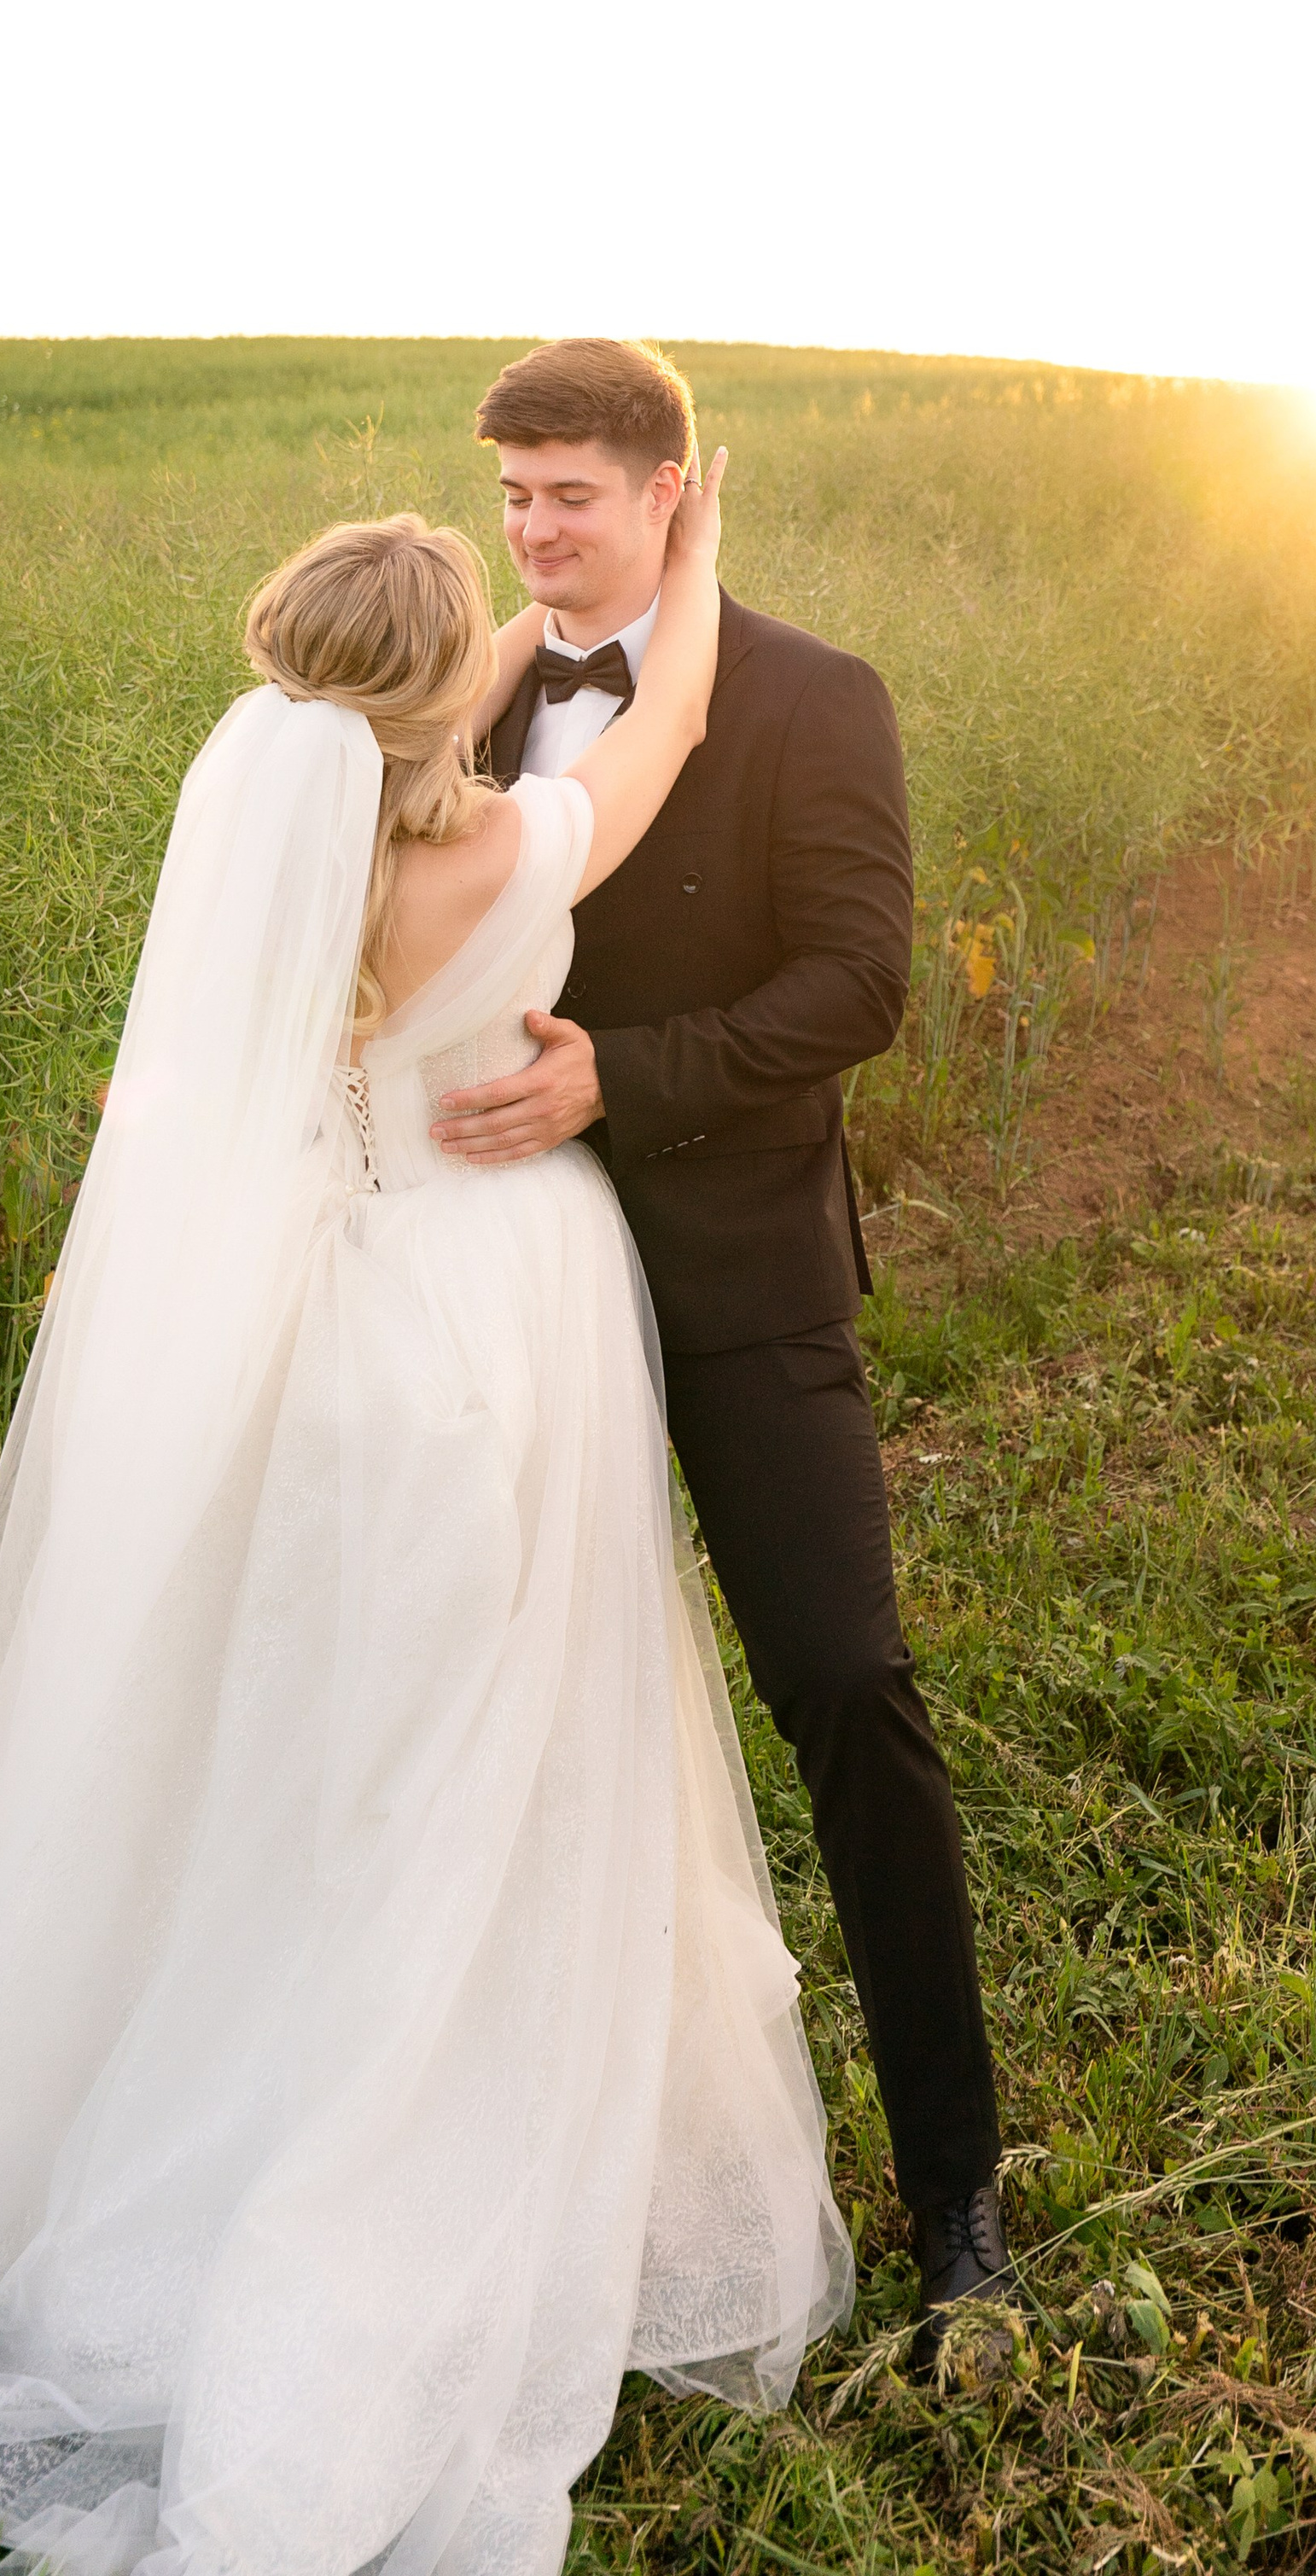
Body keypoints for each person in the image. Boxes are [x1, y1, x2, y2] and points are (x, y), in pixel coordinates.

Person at [0, 466, 853, 2576]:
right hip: (483, 1336)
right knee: (479, 1758)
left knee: (308, 1759)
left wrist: (431, 629)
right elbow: (672, 718)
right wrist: (683, 558)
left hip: (318, 1356)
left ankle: (240, 2074)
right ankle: (414, 2144)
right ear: (448, 698)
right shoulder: (503, 849)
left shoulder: (263, 812)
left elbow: (396, 704)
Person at [446, 337, 1008, 2343]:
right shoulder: (466, 697)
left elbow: (856, 984)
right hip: (496, 1295)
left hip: (737, 1280)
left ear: (668, 491)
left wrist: (624, 1075)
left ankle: (956, 2194)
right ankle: (519, 2184)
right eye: (510, 496)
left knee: (845, 1680)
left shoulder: (811, 695)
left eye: (569, 495)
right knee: (503, 1731)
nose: (533, 533)